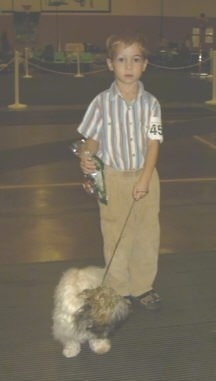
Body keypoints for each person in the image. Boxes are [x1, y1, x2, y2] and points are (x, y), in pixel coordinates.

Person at [76, 32, 163, 310]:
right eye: (122, 60)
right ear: (110, 64)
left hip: (145, 175)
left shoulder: (152, 104)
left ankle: (142, 286)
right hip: (112, 177)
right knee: (115, 235)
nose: (128, 66)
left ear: (145, 65)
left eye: (135, 60)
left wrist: (146, 178)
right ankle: (119, 288)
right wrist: (86, 155)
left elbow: (153, 142)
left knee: (147, 234)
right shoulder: (100, 102)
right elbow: (91, 138)